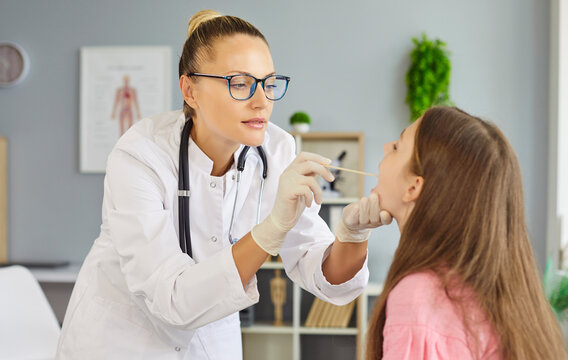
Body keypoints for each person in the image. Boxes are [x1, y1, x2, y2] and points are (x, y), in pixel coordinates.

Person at [56, 10, 391, 359]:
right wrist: (271, 229)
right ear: (190, 90)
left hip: (210, 342)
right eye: (240, 83)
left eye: (270, 83)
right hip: (121, 343)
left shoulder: (276, 152)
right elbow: (170, 298)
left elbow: (320, 270)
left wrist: (352, 235)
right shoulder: (140, 155)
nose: (262, 101)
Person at [363, 106, 566, 359]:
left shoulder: (419, 296)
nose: (385, 146)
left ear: (414, 186)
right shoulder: (503, 296)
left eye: (397, 147)